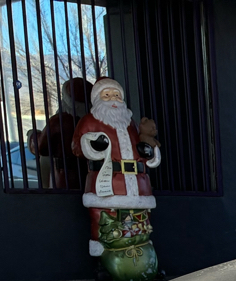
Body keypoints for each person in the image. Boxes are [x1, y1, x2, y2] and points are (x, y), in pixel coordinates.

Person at [70, 77, 161, 259]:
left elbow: (145, 151)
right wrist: (93, 144)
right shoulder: (89, 121)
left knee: (139, 220)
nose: (113, 98)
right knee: (104, 219)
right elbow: (77, 147)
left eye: (117, 95)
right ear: (97, 98)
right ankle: (104, 261)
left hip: (137, 184)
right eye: (107, 95)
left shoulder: (132, 123)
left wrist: (149, 150)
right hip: (108, 183)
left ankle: (141, 260)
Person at [27, 77, 91, 190]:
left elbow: (40, 148)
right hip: (91, 175)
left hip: (63, 176)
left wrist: (32, 135)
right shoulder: (96, 121)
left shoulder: (59, 121)